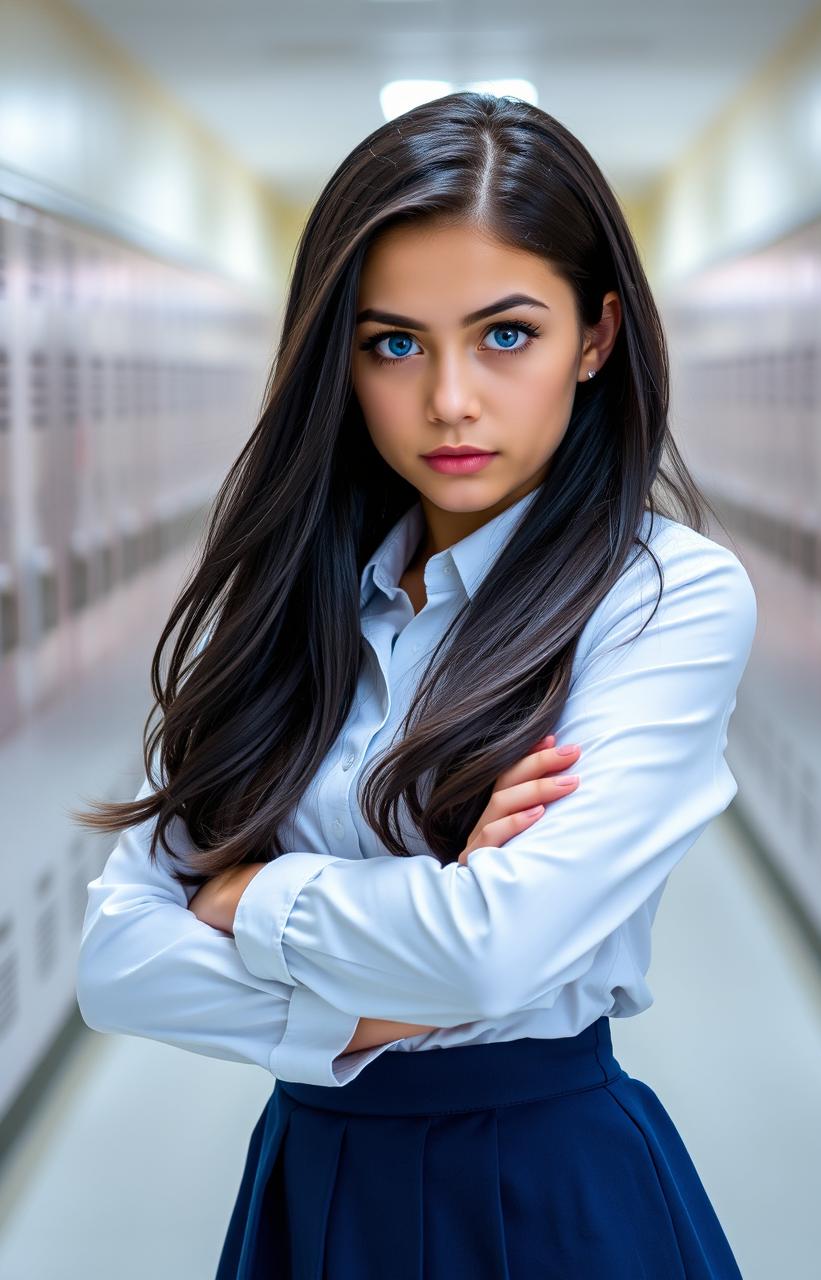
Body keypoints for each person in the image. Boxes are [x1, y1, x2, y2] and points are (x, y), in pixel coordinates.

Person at [73, 91, 756, 1278]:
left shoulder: (665, 597)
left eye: (505, 334)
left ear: (594, 338)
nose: (448, 398)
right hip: (314, 1180)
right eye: (394, 342)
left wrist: (248, 897)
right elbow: (115, 965)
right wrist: (407, 969)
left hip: (550, 1186)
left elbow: (492, 954)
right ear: (338, 354)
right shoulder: (291, 599)